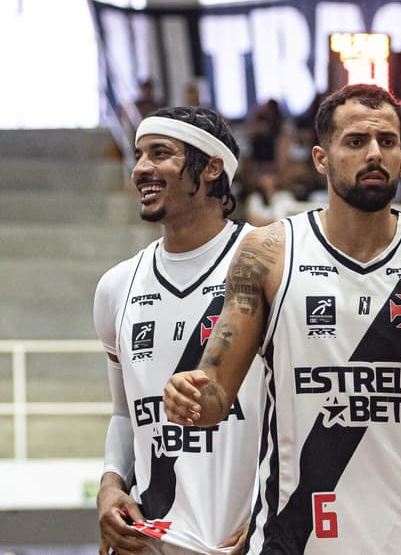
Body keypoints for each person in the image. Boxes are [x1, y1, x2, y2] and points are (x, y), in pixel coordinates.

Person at [162, 84, 401, 554]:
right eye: (355, 141)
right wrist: (187, 396)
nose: (374, 153)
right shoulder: (268, 253)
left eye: (387, 142)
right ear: (320, 158)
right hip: (297, 533)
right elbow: (215, 396)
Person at [93, 105, 264, 555]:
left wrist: (273, 514)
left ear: (211, 168)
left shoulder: (268, 263)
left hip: (247, 540)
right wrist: (111, 482)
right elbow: (125, 414)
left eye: (160, 153)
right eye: (139, 154)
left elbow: (300, 411)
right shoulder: (117, 285)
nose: (140, 169)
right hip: (152, 541)